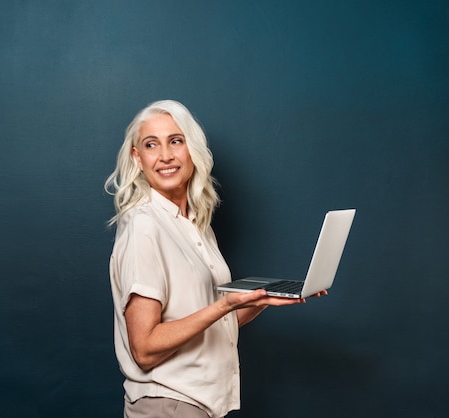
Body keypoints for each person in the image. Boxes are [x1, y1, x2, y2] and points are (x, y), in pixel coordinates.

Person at [105, 100, 326, 418]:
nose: (166, 156)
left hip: (198, 405)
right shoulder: (144, 225)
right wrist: (223, 305)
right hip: (168, 405)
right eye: (151, 145)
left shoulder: (195, 224)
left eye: (176, 141)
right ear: (137, 158)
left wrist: (260, 300)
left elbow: (210, 326)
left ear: (191, 149)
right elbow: (144, 347)